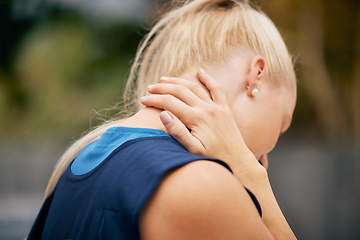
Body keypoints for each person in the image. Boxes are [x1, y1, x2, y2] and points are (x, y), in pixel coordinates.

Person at [28, 0, 297, 239]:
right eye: (283, 123)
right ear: (255, 76)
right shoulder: (204, 185)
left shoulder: (79, 163)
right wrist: (252, 175)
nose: (267, 157)